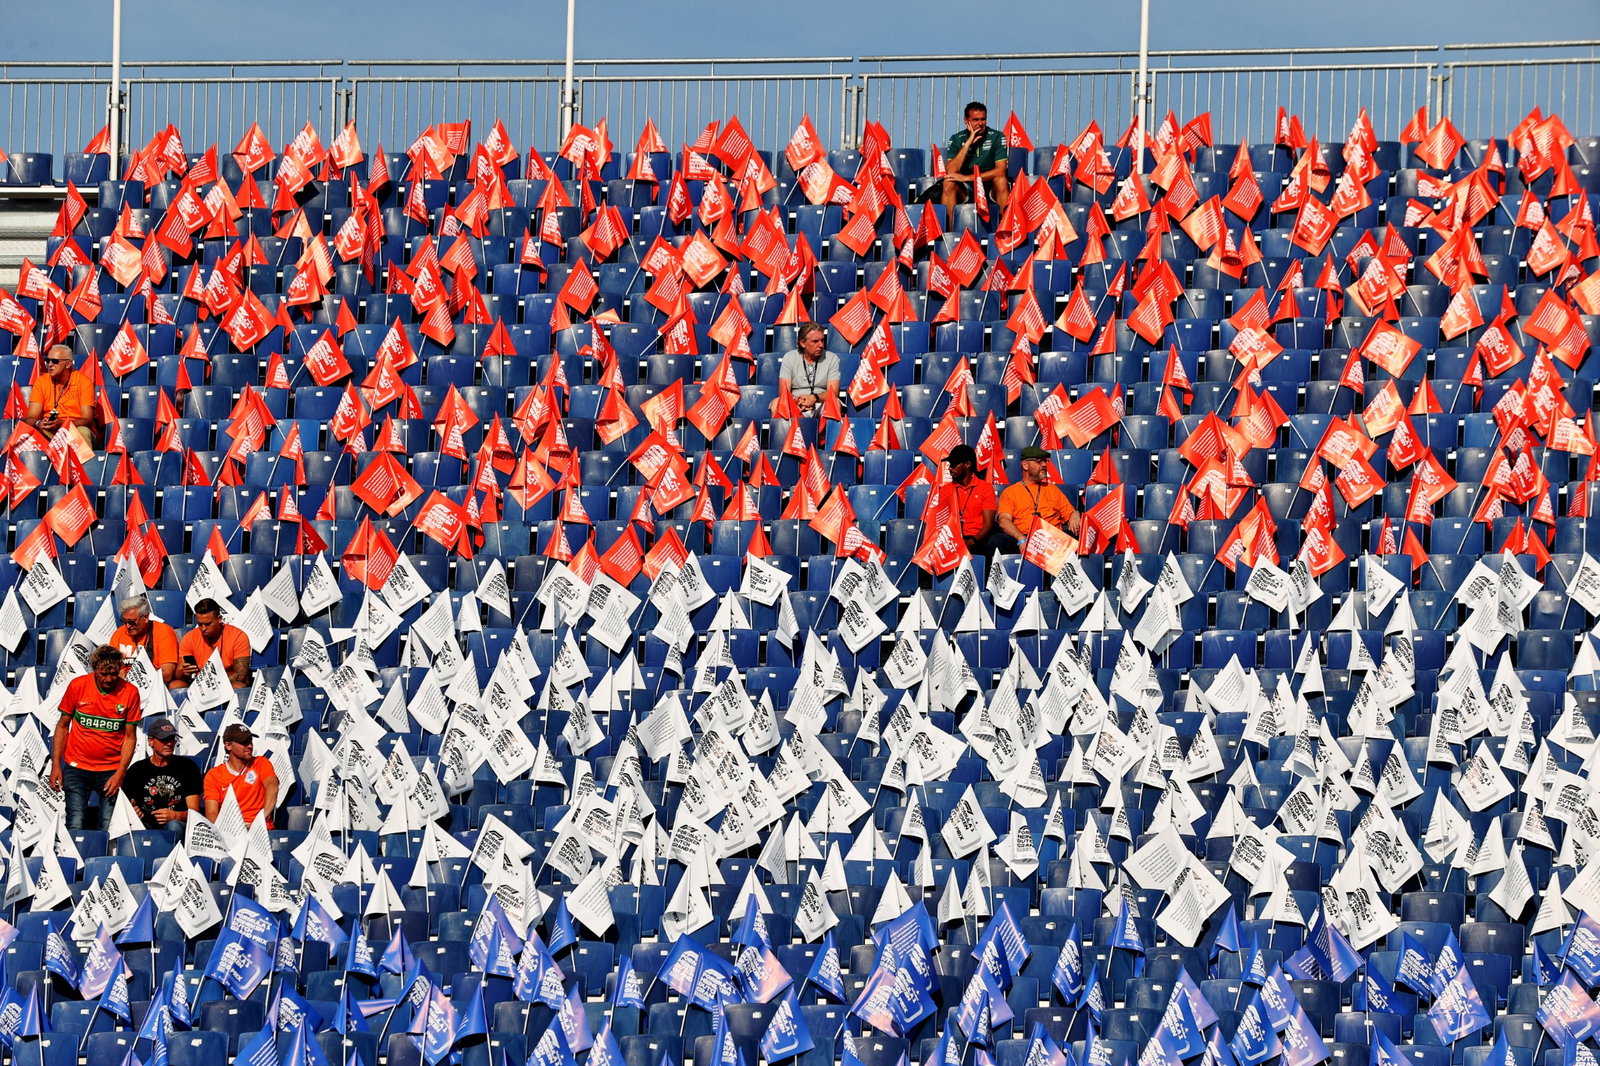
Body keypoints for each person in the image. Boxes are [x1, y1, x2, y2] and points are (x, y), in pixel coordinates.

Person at [49, 645, 141, 829]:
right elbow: (62, 726)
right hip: (76, 767)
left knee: (109, 824)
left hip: (110, 770)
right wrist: (56, 765)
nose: (108, 679)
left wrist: (120, 773)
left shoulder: (130, 692)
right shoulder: (78, 686)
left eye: (114, 674)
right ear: (94, 669)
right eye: (103, 674)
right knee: (76, 821)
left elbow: (130, 738)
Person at [122, 718, 202, 830]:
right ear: (150, 741)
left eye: (172, 739)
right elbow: (125, 806)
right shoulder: (137, 769)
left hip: (175, 824)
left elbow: (195, 813)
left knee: (174, 825)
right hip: (145, 824)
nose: (169, 743)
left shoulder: (187, 767)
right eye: (164, 739)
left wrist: (175, 815)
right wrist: (133, 812)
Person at [997, 446, 1083, 550]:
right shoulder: (1010, 492)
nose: (1044, 465)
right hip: (1023, 537)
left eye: (1045, 461)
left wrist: (1075, 514)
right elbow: (1004, 520)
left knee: (1075, 538)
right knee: (997, 541)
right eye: (1039, 462)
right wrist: (1021, 538)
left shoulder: (1052, 489)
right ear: (1025, 465)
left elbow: (1070, 513)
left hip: (1052, 540)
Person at [204, 724, 279, 828]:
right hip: (231, 831)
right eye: (244, 742)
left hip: (260, 830)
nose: (250, 746)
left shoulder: (261, 763)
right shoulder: (214, 775)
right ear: (228, 745)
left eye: (250, 741)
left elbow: (272, 787)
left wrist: (260, 820)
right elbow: (212, 813)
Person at [941, 101, 1011, 212]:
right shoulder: (956, 139)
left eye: (983, 119)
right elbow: (950, 171)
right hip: (966, 189)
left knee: (1001, 180)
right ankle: (949, 229)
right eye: (975, 120)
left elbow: (1000, 171)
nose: (980, 123)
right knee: (948, 182)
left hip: (990, 186)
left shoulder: (997, 137)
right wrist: (968, 142)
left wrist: (968, 178)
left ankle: (1005, 228)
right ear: (966, 121)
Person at [26, 344, 99, 449]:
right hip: (51, 431)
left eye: (55, 361)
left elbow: (87, 420)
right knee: (28, 432)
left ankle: (82, 465)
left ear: (68, 364)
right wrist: (39, 423)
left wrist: (62, 423)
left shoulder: (84, 382)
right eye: (48, 360)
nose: (50, 364)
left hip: (76, 428)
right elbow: (30, 417)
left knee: (82, 431)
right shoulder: (41, 382)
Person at [935, 444, 1001, 556]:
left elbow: (988, 524)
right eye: (950, 464)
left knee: (995, 543)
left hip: (978, 539)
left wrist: (971, 542)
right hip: (953, 539)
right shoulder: (946, 490)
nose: (950, 468)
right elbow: (940, 521)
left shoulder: (985, 488)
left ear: (967, 464)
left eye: (954, 464)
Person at [177, 598, 253, 689]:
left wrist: (212, 682)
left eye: (208, 624)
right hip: (198, 685)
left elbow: (241, 676)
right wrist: (184, 672)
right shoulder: (190, 638)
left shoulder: (238, 636)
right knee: (176, 685)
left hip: (226, 684)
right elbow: (178, 675)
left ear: (219, 619)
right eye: (200, 624)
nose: (203, 628)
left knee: (238, 686)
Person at [110, 595, 181, 689]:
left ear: (146, 617)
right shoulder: (119, 633)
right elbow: (110, 667)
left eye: (132, 622)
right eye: (124, 621)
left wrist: (134, 679)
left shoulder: (164, 632)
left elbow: (167, 674)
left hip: (154, 687)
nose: (127, 626)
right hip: (123, 687)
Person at [771, 323, 840, 416]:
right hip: (797, 401)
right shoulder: (789, 357)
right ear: (802, 343)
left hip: (820, 401)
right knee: (776, 403)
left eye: (822, 340)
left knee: (834, 403)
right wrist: (799, 400)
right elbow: (784, 391)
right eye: (815, 341)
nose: (821, 345)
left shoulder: (832, 358)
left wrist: (814, 398)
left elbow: (833, 393)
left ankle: (827, 431)